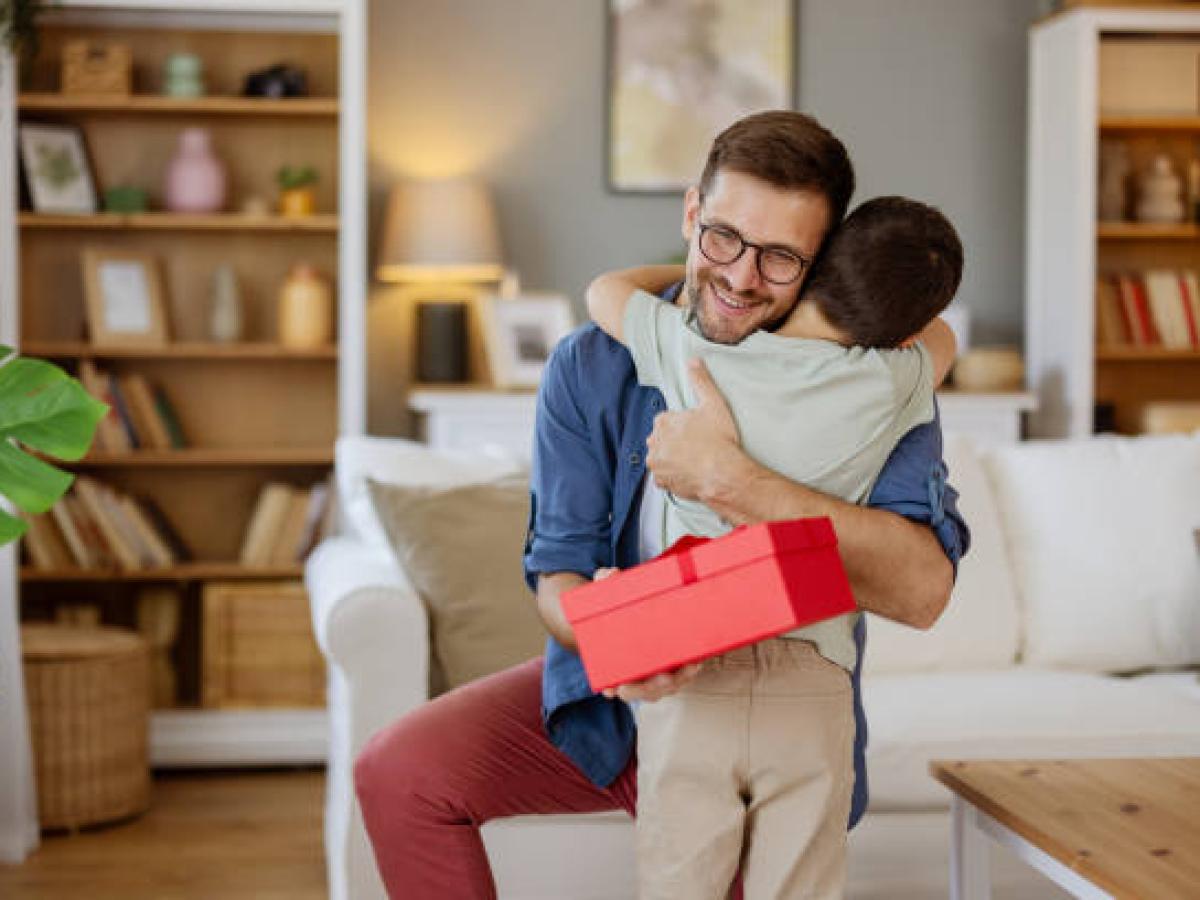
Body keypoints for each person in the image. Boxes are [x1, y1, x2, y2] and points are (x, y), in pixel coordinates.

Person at [353, 111, 970, 900]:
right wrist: (620, 645)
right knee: (398, 771)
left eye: (781, 258)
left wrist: (733, 480)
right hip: (620, 697)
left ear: (821, 267)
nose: (743, 278)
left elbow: (922, 590)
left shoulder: (877, 379)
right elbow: (559, 581)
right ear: (690, 213)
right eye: (722, 237)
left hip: (773, 712)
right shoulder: (597, 360)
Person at [584, 194, 964, 898]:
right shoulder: (893, 379)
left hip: (694, 662)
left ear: (815, 269)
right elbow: (942, 341)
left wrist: (703, 274)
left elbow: (603, 292)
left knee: (677, 883)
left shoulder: (691, 347)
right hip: (813, 679)